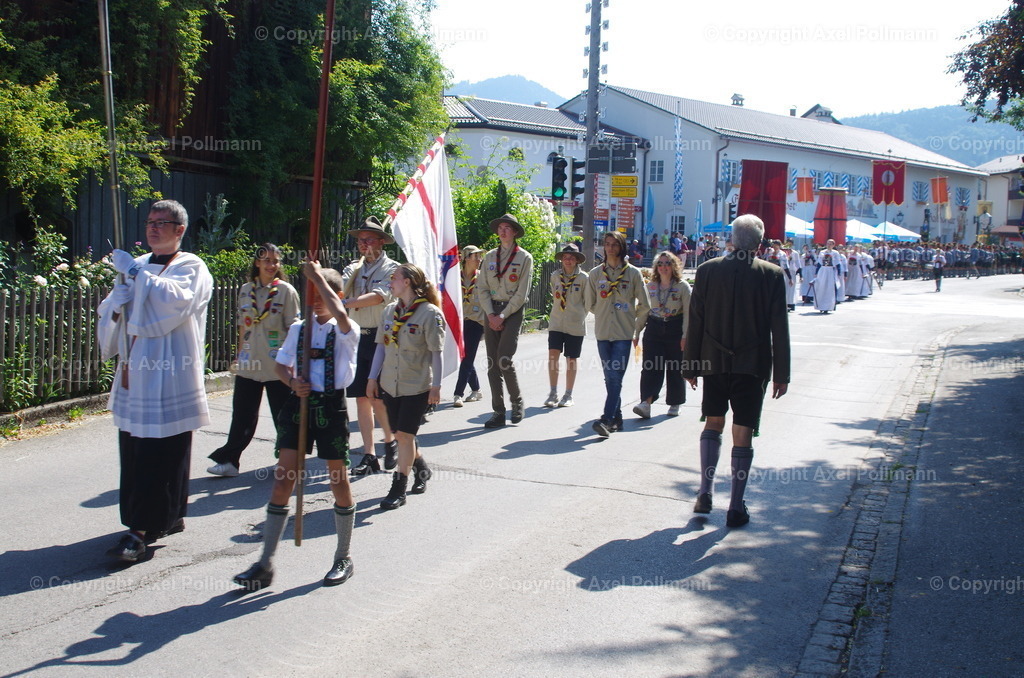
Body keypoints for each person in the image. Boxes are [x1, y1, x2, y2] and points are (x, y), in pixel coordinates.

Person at [97, 199, 214, 562]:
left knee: (164, 450)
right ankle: (165, 515)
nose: (152, 228)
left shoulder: (191, 266)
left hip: (170, 372)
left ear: (180, 230)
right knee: (137, 449)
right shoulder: (139, 263)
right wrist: (115, 306)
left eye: (161, 222)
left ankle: (142, 530)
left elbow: (174, 304)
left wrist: (135, 274)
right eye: (149, 221)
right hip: (136, 370)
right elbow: (116, 316)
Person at [234, 261, 360, 590]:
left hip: (330, 408)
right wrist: (293, 383)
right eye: (311, 294)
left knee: (338, 480)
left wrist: (317, 276)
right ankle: (265, 563)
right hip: (299, 406)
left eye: (322, 295)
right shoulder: (299, 329)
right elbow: (280, 366)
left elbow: (341, 315)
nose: (315, 300)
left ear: (338, 296)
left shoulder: (347, 329)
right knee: (283, 480)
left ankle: (343, 556)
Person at [682, 214, 791, 528]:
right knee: (742, 431)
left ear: (731, 240)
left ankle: (705, 491)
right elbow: (779, 328)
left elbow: (696, 322)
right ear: (759, 243)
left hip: (713, 362)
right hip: (752, 365)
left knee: (713, 422)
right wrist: (782, 373)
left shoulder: (707, 270)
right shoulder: (771, 274)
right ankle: (734, 505)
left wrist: (690, 365)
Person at [207, 244, 300, 477]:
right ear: (257, 263)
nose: (272, 265)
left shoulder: (286, 291)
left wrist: (293, 364)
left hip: (277, 365)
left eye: (276, 261)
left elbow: (295, 330)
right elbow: (243, 326)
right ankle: (230, 461)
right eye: (267, 260)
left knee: (283, 416)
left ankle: (288, 461)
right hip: (249, 364)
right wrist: (239, 354)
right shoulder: (245, 290)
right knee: (242, 415)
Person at [367, 264, 444, 510]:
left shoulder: (430, 313)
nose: (391, 282)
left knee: (404, 436)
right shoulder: (389, 311)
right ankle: (421, 468)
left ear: (407, 282)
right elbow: (381, 347)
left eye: (394, 278)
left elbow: (436, 353)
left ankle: (398, 489)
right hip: (390, 384)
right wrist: (372, 378)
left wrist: (436, 386)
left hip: (416, 386)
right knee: (402, 436)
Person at [341, 217, 399, 477]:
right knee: (361, 398)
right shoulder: (351, 269)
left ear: (381, 242)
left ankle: (391, 439)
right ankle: (369, 453)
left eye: (369, 239)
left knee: (378, 396)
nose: (363, 244)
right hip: (357, 336)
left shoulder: (392, 269)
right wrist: (340, 294)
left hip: (380, 337)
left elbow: (378, 297)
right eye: (360, 240)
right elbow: (339, 290)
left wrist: (346, 303)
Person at [586, 231, 651, 437]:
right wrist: (603, 312)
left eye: (615, 244)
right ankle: (618, 418)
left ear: (621, 247)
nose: (610, 248)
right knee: (610, 378)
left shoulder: (633, 274)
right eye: (607, 244)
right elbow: (589, 302)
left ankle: (606, 419)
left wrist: (635, 325)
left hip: (624, 333)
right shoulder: (596, 274)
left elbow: (645, 305)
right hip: (603, 332)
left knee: (614, 378)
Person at [479, 213, 533, 428]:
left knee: (504, 358)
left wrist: (502, 315)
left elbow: (522, 293)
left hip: (512, 311)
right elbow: (482, 288)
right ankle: (498, 412)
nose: (502, 231)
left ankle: (517, 402)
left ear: (515, 232)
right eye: (500, 227)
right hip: (491, 309)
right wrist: (491, 314)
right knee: (492, 363)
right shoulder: (489, 257)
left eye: (507, 228)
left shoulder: (524, 258)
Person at [634, 251, 690, 419]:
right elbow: (643, 311)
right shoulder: (650, 287)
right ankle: (646, 403)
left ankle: (675, 402)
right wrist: (636, 332)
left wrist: (685, 336)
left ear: (673, 266)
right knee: (650, 366)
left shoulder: (682, 286)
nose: (663, 267)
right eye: (660, 264)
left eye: (667, 263)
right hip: (654, 327)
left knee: (675, 367)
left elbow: (689, 314)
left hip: (675, 327)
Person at [545, 243, 588, 408]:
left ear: (577, 260)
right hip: (556, 321)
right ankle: (553, 393)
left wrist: (578, 316)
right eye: (565, 257)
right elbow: (554, 295)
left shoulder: (583, 278)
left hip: (575, 325)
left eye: (571, 258)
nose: (568, 261)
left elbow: (587, 302)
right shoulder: (555, 276)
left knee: (571, 359)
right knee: (552, 356)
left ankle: (568, 394)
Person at [453, 245, 485, 407]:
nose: (479, 259)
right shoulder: (454, 277)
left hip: (476, 321)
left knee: (466, 357)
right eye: (475, 256)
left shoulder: (483, 277)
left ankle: (458, 393)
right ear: (466, 258)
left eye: (480, 256)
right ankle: (476, 390)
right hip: (459, 321)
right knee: (464, 357)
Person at [812, 239, 841, 313]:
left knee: (829, 289)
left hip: (831, 271)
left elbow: (838, 264)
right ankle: (820, 305)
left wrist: (839, 273)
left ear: (833, 245)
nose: (829, 245)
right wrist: (816, 272)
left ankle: (828, 306)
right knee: (821, 288)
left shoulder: (835, 253)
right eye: (828, 244)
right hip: (823, 271)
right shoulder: (822, 252)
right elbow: (819, 263)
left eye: (830, 244)